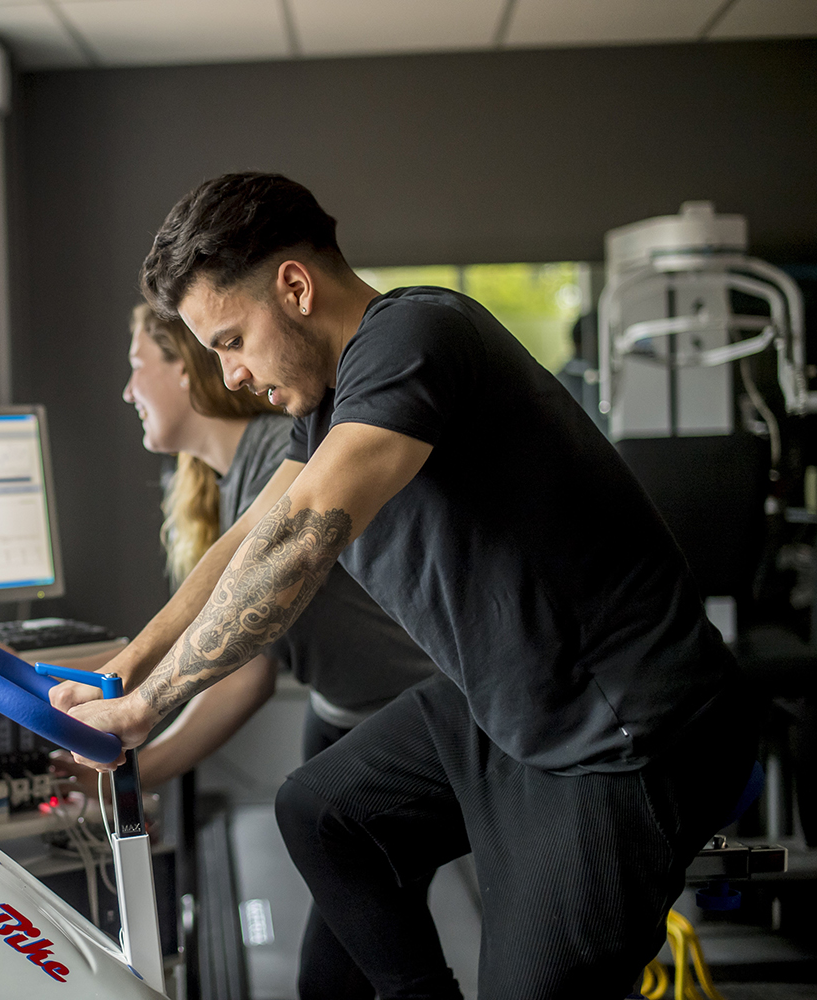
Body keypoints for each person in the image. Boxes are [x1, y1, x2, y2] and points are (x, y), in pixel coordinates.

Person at [57, 172, 756, 999]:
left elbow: (300, 537)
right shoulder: (330, 402)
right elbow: (248, 533)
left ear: (294, 286)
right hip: (513, 704)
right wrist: (131, 667)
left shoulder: (414, 334)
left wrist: (150, 708)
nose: (231, 374)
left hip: (629, 732)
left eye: (231, 340)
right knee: (322, 813)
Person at [55, 302, 436, 997]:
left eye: (138, 366)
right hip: (341, 712)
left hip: (406, 713)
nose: (126, 389)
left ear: (183, 365)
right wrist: (125, 700)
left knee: (349, 970)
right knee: (339, 969)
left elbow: (242, 671)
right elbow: (230, 650)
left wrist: (144, 752)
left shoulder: (275, 450)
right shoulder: (220, 483)